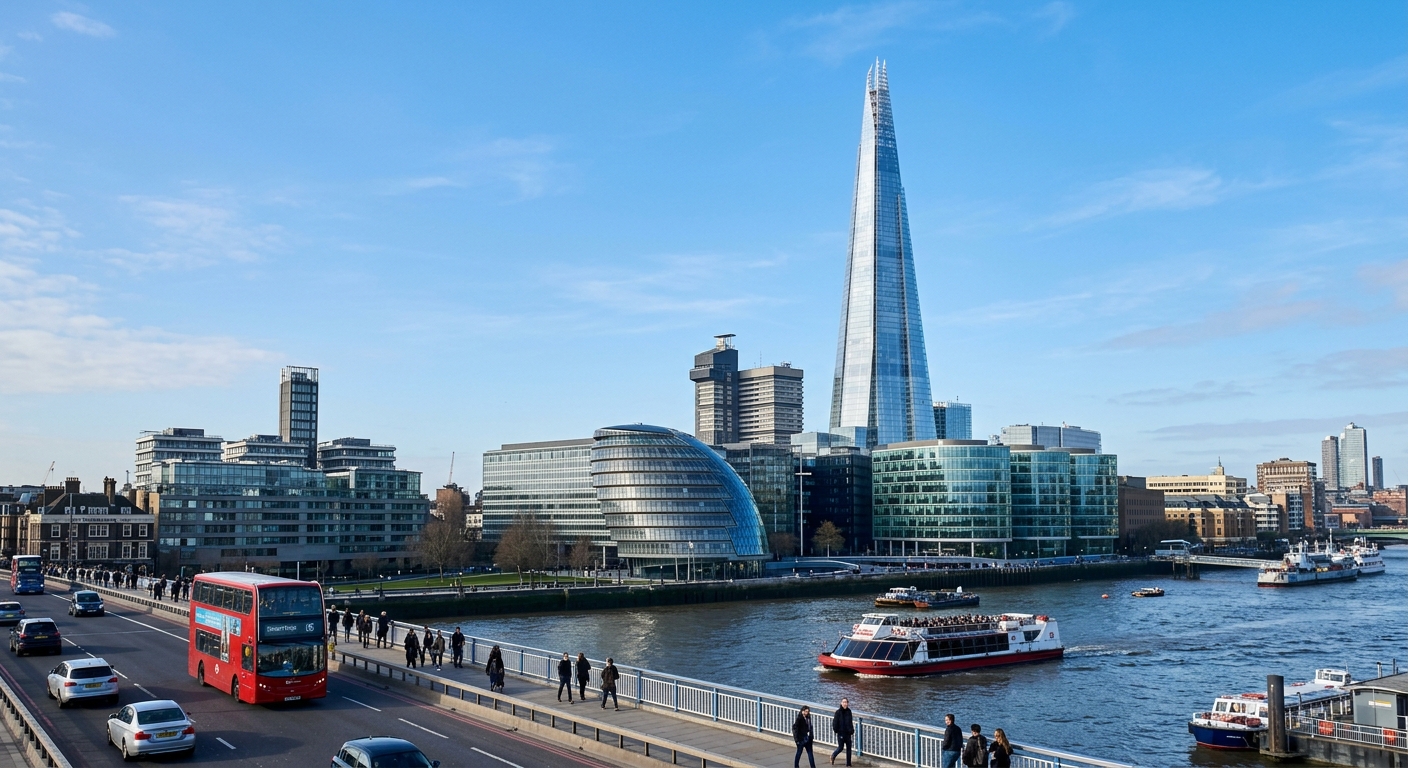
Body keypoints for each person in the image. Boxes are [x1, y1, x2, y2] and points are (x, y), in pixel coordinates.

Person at [830, 698, 854, 766]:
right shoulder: (838, 712)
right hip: (841, 733)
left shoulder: (849, 711)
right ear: (841, 703)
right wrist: (836, 730)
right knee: (841, 747)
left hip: (848, 733)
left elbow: (850, 722)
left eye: (846, 702)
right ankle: (833, 755)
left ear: (848, 703)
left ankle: (848, 764)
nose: (845, 704)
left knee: (849, 748)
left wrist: (852, 730)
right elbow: (835, 722)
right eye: (843, 702)